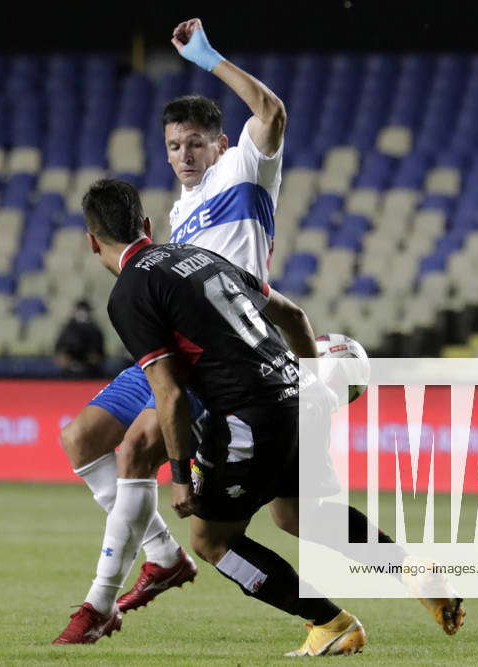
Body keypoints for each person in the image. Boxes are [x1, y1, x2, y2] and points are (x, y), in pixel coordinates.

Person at [54, 17, 290, 643]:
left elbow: (270, 110)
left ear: (218, 144)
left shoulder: (246, 172)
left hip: (221, 359)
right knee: (80, 439)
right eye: (173, 147)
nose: (184, 156)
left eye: (194, 144)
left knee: (135, 451)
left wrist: (209, 58)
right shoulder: (180, 214)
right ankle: (163, 557)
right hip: (174, 349)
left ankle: (98, 604)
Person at [74, 178, 367, 656]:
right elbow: (292, 315)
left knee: (212, 542)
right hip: (293, 398)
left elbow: (168, 394)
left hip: (246, 416)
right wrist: (309, 379)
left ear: (92, 241)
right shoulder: (199, 256)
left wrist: (181, 476)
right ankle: (401, 569)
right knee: (295, 515)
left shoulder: (130, 290)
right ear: (146, 225)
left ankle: (329, 620)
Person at [53, 300, 105, 377]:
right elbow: (60, 350)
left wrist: (93, 357)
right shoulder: (68, 329)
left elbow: (98, 354)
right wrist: (66, 357)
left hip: (91, 370)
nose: (82, 314)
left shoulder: (94, 330)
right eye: (80, 310)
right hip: (68, 370)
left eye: (85, 310)